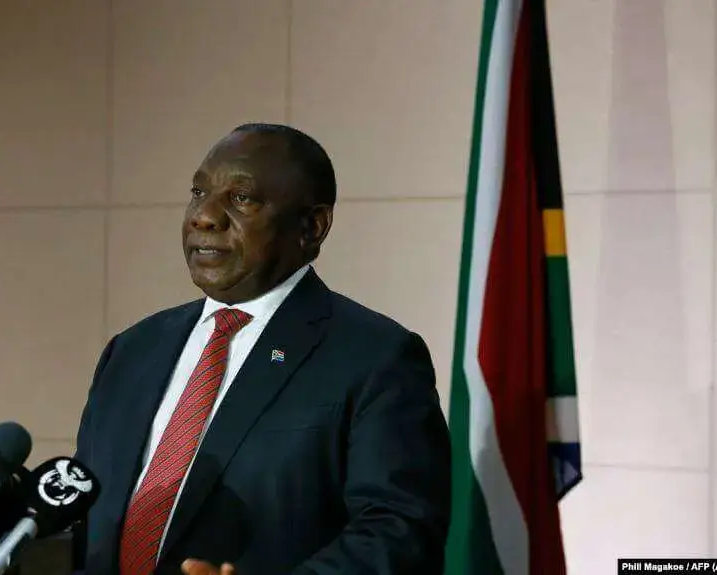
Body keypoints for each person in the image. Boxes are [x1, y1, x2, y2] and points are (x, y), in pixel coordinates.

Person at [73, 123, 451, 575]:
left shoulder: (374, 357)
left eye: (241, 198)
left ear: (312, 226)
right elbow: (81, 513)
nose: (203, 216)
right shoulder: (132, 350)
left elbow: (401, 533)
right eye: (198, 192)